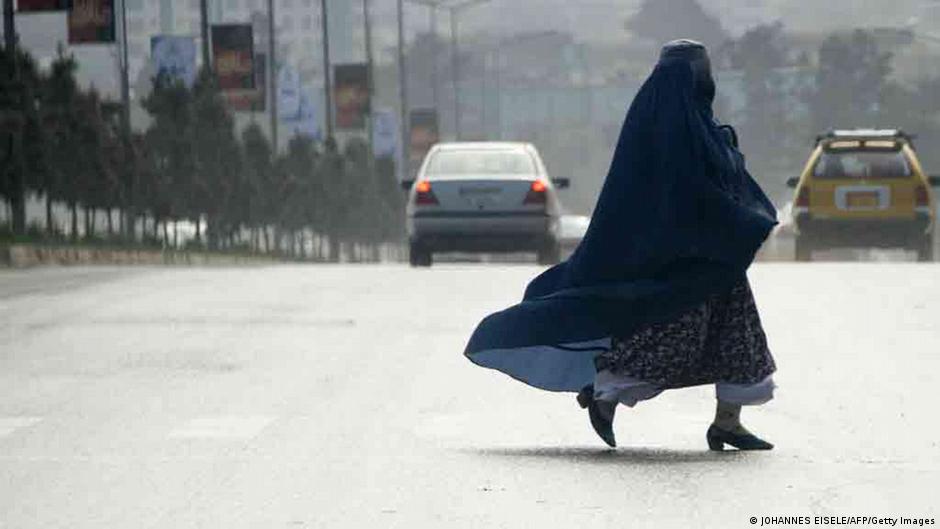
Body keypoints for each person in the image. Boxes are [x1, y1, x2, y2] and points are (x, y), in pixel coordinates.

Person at [463, 40, 778, 451]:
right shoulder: (670, 128)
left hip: (709, 256)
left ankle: (727, 422)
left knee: (738, 332)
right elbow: (684, 190)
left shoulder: (692, 122)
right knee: (674, 336)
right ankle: (604, 392)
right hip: (675, 260)